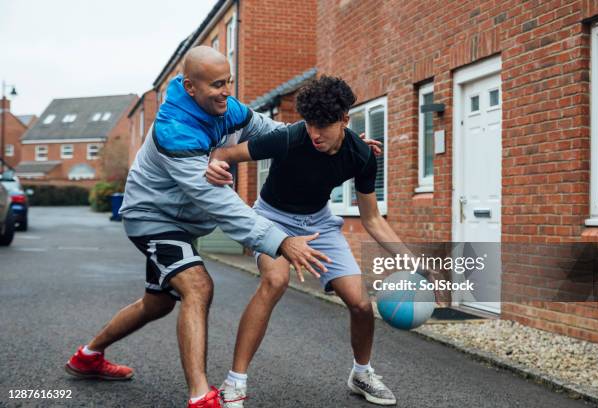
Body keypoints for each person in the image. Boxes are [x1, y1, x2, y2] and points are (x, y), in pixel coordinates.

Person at [63, 46, 331, 408]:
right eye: (218, 84)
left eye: (229, 82)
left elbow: (273, 132)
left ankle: (88, 355)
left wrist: (328, 138)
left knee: (156, 304)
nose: (226, 91)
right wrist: (282, 242)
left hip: (181, 223)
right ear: (190, 86)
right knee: (197, 286)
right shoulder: (174, 130)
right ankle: (200, 396)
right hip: (154, 219)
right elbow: (218, 203)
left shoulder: (226, 107)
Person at [206, 76, 409, 406]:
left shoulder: (361, 156)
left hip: (320, 223)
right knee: (275, 280)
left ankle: (362, 373)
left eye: (324, 125)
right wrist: (214, 164)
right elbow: (225, 153)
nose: (315, 134)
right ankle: (235, 383)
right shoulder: (289, 138)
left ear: (345, 119)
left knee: (360, 303)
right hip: (272, 217)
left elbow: (372, 219)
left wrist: (410, 260)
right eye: (311, 124)